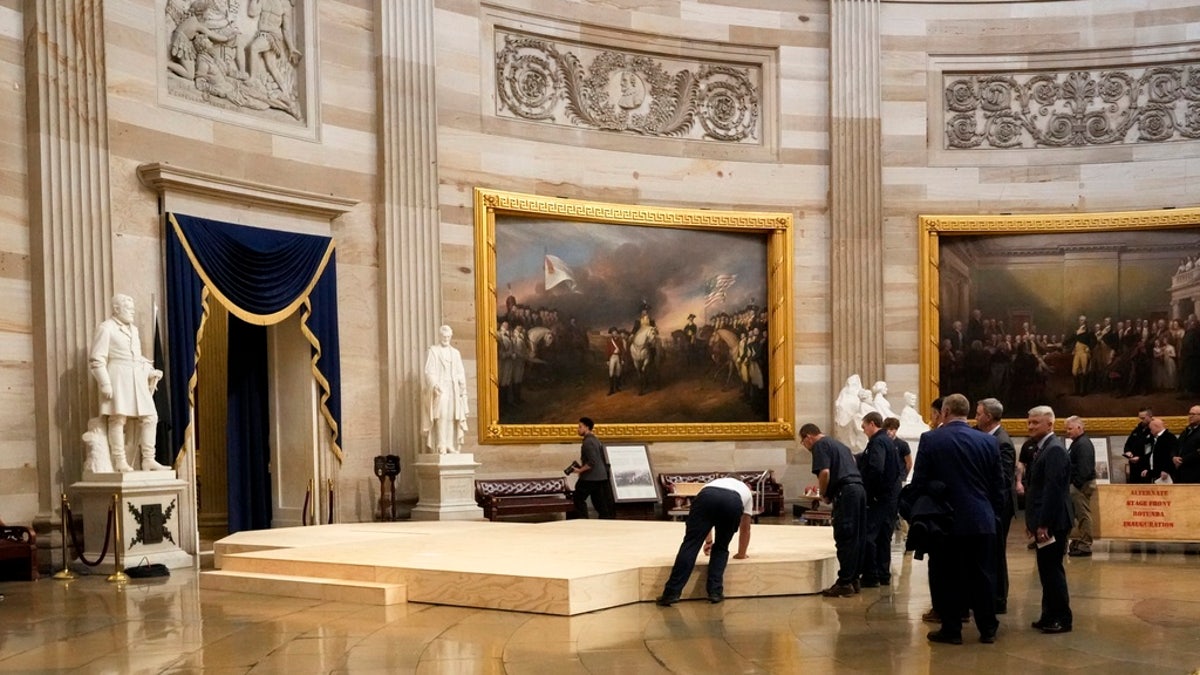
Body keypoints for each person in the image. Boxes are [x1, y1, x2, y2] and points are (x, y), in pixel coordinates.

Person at [912, 393, 1004, 645]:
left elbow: (919, 481)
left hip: (945, 520)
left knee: (946, 576)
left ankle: (951, 630)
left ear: (946, 411)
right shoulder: (988, 442)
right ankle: (988, 628)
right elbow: (998, 486)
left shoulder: (931, 439)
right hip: (982, 519)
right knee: (983, 576)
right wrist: (994, 516)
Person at [88, 294, 166, 473]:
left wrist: (149, 370)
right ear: (116, 309)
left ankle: (148, 459)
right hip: (118, 376)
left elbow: (135, 357)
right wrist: (105, 383)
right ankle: (120, 461)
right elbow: (96, 359)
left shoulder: (134, 330)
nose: (132, 312)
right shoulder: (106, 328)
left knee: (150, 417)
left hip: (136, 377)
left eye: (133, 309)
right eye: (128, 309)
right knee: (118, 418)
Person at [655, 474, 753, 606]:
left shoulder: (714, 483)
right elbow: (745, 528)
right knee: (721, 547)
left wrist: (708, 542)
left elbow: (707, 520)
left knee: (691, 544)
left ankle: (671, 593)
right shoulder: (745, 490)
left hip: (706, 496)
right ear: (742, 482)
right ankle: (715, 592)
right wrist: (741, 554)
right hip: (733, 501)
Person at [800, 422, 866, 597]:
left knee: (844, 535)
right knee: (857, 536)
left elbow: (825, 473)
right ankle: (853, 578)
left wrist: (824, 494)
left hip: (846, 492)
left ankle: (844, 582)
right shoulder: (840, 445)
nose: (805, 447)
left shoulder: (819, 445)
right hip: (859, 489)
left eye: (803, 443)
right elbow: (853, 461)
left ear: (808, 437)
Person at [1025, 405, 1073, 634]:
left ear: (1050, 424)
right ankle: (1048, 614)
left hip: (1054, 521)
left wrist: (1043, 524)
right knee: (1045, 570)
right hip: (1044, 520)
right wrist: (1031, 524)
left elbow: (1052, 491)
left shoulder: (1054, 450)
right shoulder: (1041, 448)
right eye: (1029, 422)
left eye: (1036, 422)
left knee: (1053, 570)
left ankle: (1062, 618)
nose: (1031, 426)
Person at [975, 397, 1015, 613]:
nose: (975, 417)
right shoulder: (985, 437)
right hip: (988, 506)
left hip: (998, 509)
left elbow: (1003, 479)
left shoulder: (1003, 442)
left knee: (997, 554)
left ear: (988, 417)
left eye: (979, 413)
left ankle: (999, 599)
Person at [857, 412, 902, 588]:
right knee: (884, 536)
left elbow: (876, 467)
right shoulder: (889, 442)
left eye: (864, 426)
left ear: (872, 424)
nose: (863, 430)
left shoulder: (877, 442)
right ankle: (883, 574)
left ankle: (871, 574)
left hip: (878, 497)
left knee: (870, 535)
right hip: (890, 496)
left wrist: (867, 489)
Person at [420, 325, 469, 454]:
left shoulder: (455, 353)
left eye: (448, 337)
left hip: (453, 387)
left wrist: (462, 387)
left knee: (453, 415)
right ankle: (441, 443)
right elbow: (429, 371)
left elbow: (460, 372)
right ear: (439, 336)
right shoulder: (433, 351)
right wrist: (435, 384)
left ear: (451, 336)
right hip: (440, 387)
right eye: (443, 336)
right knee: (441, 414)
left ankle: (449, 444)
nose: (446, 339)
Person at [1064, 416, 1097, 557]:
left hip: (1081, 485)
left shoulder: (1083, 444)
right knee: (1075, 514)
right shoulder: (1077, 443)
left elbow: (1084, 468)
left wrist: (1075, 484)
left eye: (1070, 428)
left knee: (1083, 514)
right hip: (1078, 484)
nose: (1067, 432)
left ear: (1079, 427)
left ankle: (1085, 544)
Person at [569, 417, 614, 519]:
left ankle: (583, 520)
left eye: (580, 427)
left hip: (590, 477)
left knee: (578, 498)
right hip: (600, 477)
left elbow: (592, 462)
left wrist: (579, 470)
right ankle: (605, 520)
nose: (578, 429)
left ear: (587, 427)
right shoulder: (596, 440)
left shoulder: (588, 442)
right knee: (599, 501)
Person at [1143, 416, 1178, 483]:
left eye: (1151, 428)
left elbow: (1171, 454)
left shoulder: (1169, 437)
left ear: (1156, 426)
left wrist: (1166, 469)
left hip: (1165, 473)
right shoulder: (1152, 438)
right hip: (1154, 472)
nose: (1150, 431)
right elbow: (1149, 454)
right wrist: (1147, 469)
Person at [1123, 407, 1153, 483]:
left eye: (1143, 418)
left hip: (1146, 466)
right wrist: (1128, 451)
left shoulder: (1153, 430)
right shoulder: (1137, 429)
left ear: (1150, 416)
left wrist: (1140, 458)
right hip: (1133, 467)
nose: (1141, 420)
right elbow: (1128, 444)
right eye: (1140, 418)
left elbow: (1151, 449)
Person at [1173, 406, 1200, 483]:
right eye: (1189, 414)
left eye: (1193, 414)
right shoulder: (1186, 430)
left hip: (1195, 472)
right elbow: (1176, 446)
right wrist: (1174, 457)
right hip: (1181, 472)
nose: (1190, 416)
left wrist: (1182, 460)